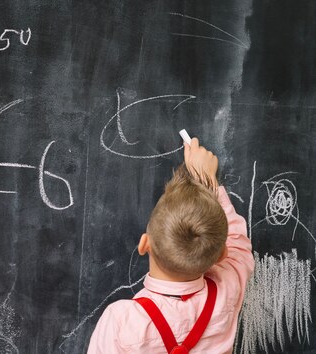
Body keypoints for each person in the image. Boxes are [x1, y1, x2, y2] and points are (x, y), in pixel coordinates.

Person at [87, 138, 254, 353]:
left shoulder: (122, 320)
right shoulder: (227, 289)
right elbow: (238, 244)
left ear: (144, 244)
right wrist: (208, 180)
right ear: (222, 254)